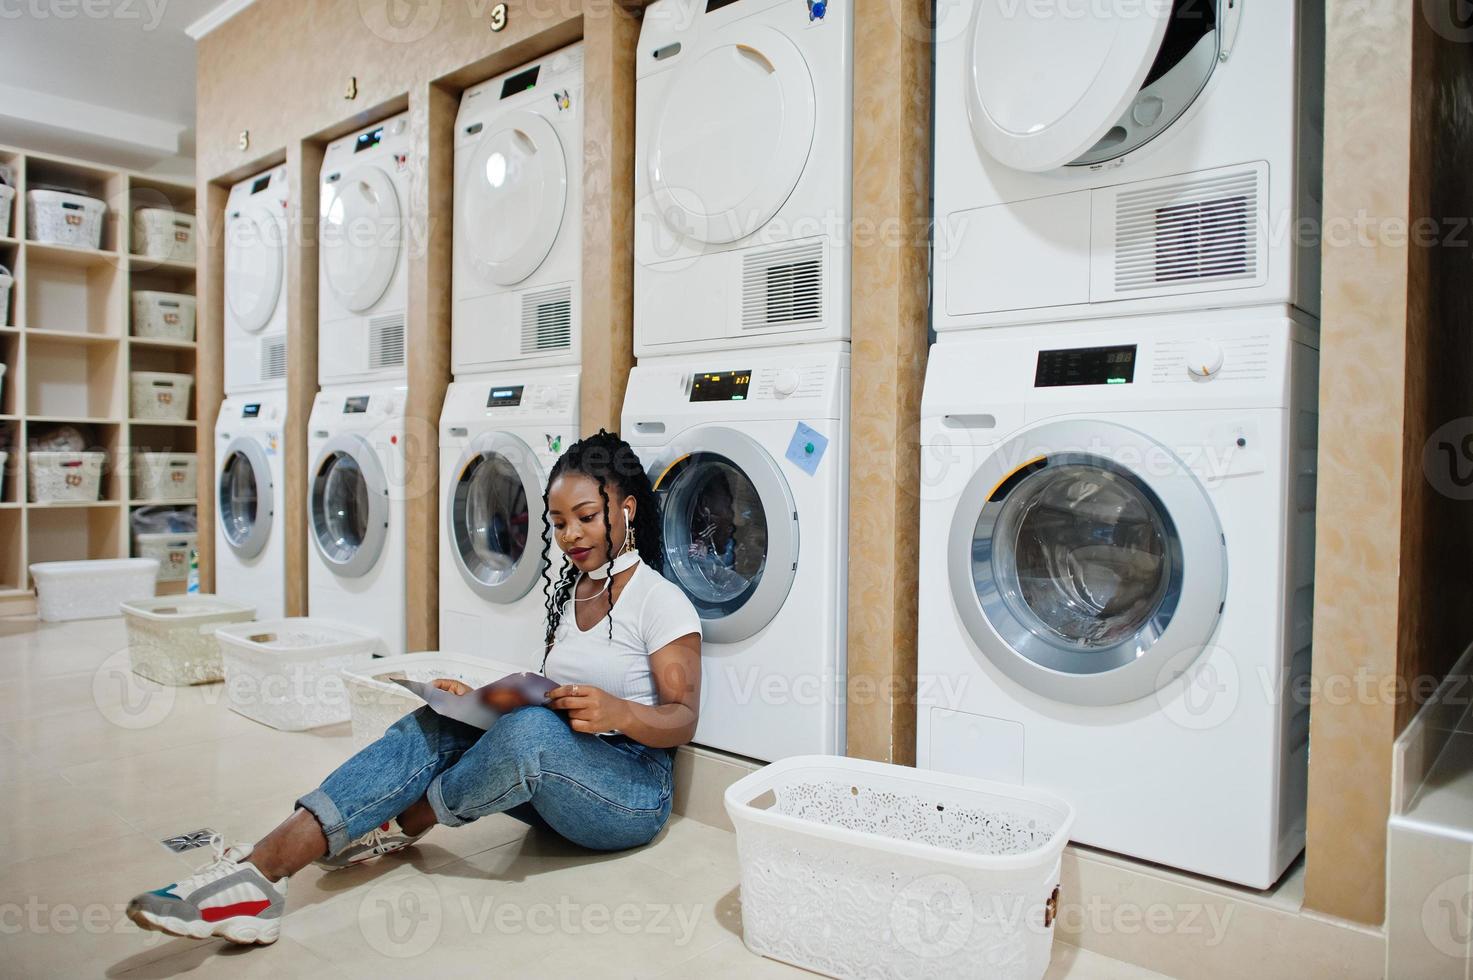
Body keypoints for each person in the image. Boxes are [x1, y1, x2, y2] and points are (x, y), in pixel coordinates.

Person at [124, 430, 702, 946]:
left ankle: (407, 819)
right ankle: (257, 874)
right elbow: (542, 693)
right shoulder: (569, 595)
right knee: (445, 720)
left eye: (586, 517)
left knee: (527, 733)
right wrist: (475, 698)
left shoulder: (660, 600)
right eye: (558, 522)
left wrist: (620, 711)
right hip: (560, 777)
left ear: (625, 511)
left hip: (630, 792)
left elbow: (683, 717)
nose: (571, 535)